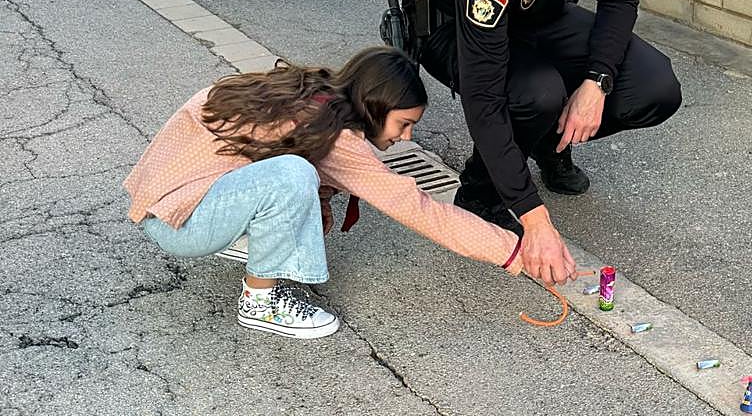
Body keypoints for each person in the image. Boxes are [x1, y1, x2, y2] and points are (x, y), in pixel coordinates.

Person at [401, 0, 683, 287]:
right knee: (536, 93)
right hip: (450, 21)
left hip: (538, 8)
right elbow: (485, 96)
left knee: (653, 85)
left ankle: (544, 144)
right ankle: (480, 195)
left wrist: (597, 80)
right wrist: (535, 219)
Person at [123, 47, 524, 340]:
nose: (407, 137)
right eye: (403, 124)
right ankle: (261, 303)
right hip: (181, 222)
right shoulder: (337, 136)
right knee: (292, 174)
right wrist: (513, 251)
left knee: (293, 174)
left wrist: (316, 204)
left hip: (167, 200)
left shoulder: (316, 95)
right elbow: (417, 208)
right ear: (373, 106)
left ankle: (251, 241)